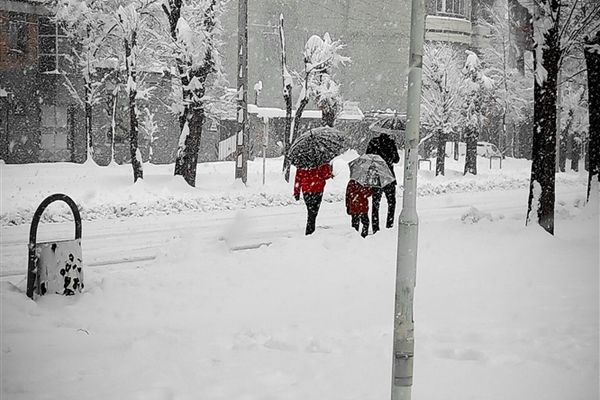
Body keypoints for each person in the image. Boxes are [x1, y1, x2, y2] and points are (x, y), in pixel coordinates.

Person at [365, 132, 400, 232]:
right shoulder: (391, 143)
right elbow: (396, 159)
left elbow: (367, 156)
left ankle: (375, 227)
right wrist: (390, 155)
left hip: (376, 175)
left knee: (375, 203)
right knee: (391, 202)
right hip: (388, 175)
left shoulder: (373, 142)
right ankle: (389, 224)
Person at [293, 163, 333, 235]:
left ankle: (310, 230)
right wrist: (329, 170)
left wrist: (297, 192)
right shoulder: (321, 161)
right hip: (318, 189)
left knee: (311, 211)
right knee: (313, 212)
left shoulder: (302, 162)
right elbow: (326, 175)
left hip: (306, 190)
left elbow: (298, 178)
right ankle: (310, 231)